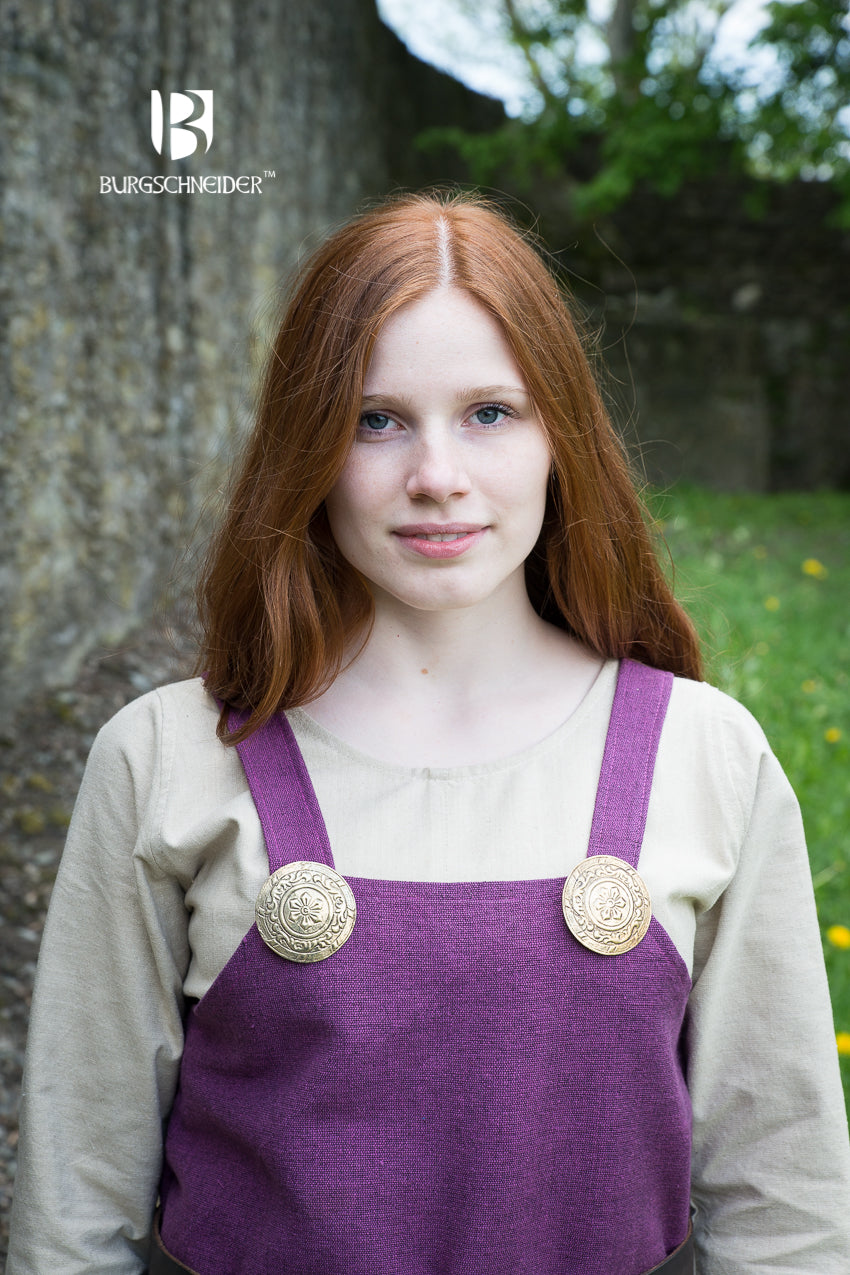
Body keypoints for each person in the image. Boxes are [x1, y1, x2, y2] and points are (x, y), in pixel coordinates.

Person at [7, 190, 850, 1275]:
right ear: (305, 442)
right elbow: (74, 1211)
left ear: (563, 435)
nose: (437, 476)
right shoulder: (165, 758)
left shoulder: (704, 755)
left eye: (491, 413)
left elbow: (786, 1208)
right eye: (376, 418)